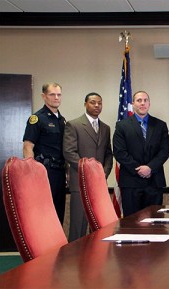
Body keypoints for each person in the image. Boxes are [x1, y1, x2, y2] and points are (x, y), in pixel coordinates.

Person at [63, 92, 113, 241]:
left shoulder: (105, 128)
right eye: (93, 102)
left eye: (99, 103)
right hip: (80, 182)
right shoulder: (74, 125)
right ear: (85, 104)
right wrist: (88, 172)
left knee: (100, 226)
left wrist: (103, 173)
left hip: (99, 184)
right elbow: (69, 152)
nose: (96, 105)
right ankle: (74, 260)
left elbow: (108, 154)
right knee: (78, 225)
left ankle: (95, 259)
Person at [113, 91, 169, 216]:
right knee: (132, 224)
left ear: (149, 104)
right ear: (133, 104)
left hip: (154, 181)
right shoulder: (122, 126)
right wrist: (139, 169)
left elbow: (164, 151)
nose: (142, 103)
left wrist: (150, 168)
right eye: (139, 100)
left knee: (155, 223)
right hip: (131, 182)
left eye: (145, 100)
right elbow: (119, 152)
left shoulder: (160, 125)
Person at [23, 82, 67, 223]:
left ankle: (58, 245)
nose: (56, 98)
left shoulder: (62, 120)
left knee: (58, 212)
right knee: (44, 213)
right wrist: (32, 172)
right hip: (44, 171)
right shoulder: (37, 119)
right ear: (44, 96)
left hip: (60, 172)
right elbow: (28, 146)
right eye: (52, 94)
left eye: (59, 94)